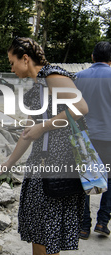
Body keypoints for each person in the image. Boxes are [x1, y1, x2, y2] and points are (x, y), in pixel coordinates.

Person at [2, 37, 88, 255]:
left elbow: (81, 108)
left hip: (57, 165)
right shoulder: (38, 86)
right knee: (41, 230)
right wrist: (8, 163)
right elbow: (29, 133)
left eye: (12, 62)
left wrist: (44, 127)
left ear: (25, 58)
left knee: (45, 229)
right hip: (42, 164)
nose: (11, 68)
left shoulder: (52, 76)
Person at [74, 41, 111, 240]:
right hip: (109, 138)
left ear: (92, 57)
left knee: (88, 178)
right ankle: (102, 221)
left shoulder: (79, 77)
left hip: (85, 136)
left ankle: (83, 227)